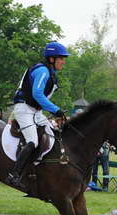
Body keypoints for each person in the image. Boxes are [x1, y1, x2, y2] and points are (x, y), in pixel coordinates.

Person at [5, 41, 69, 186]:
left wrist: (56, 112)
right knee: (32, 141)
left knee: (53, 135)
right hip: (24, 109)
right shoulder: (43, 71)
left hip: (35, 111)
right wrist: (55, 110)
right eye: (61, 58)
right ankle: (14, 175)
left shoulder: (51, 73)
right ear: (52, 59)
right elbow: (37, 94)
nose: (63, 62)